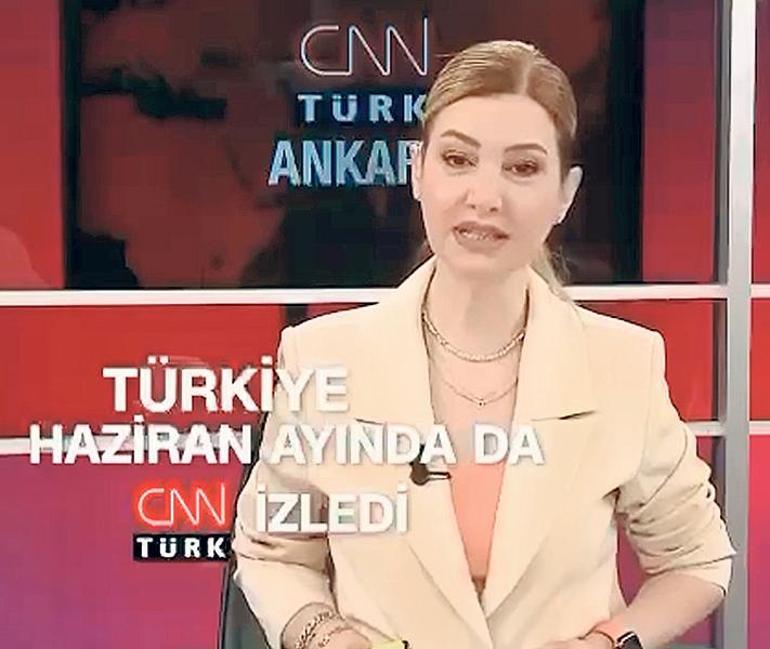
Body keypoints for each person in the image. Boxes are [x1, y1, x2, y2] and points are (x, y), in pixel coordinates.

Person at [231, 40, 736, 649]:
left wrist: (606, 644)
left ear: (565, 194)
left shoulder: (622, 364)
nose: (485, 197)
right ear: (418, 172)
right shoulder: (322, 358)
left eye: (522, 168)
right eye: (458, 159)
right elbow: (272, 553)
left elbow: (697, 560)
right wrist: (330, 638)